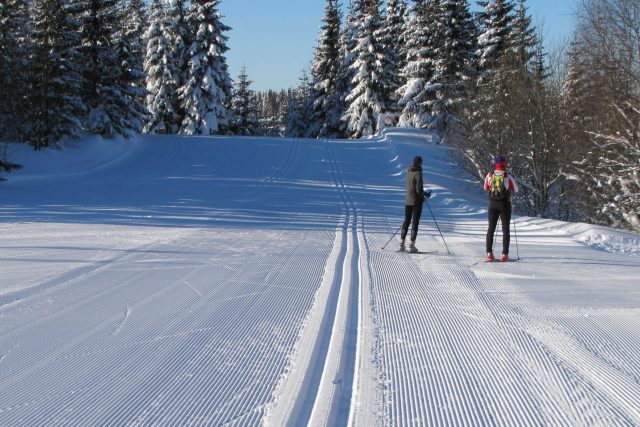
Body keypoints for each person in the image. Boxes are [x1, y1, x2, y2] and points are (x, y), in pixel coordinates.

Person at [484, 155, 519, 262]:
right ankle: (504, 255)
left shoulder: (490, 175)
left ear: (495, 164)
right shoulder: (508, 176)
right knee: (505, 230)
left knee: (491, 229)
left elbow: (486, 187)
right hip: (504, 204)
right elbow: (516, 189)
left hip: (493, 204)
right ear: (504, 164)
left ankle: (489, 253)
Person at [400, 156, 431, 253]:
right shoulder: (418, 174)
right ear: (420, 164)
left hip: (407, 201)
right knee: (415, 222)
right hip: (416, 202)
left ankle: (402, 243)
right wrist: (424, 196)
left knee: (406, 221)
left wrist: (422, 193)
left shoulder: (409, 173)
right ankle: (412, 245)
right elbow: (418, 190)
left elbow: (413, 188)